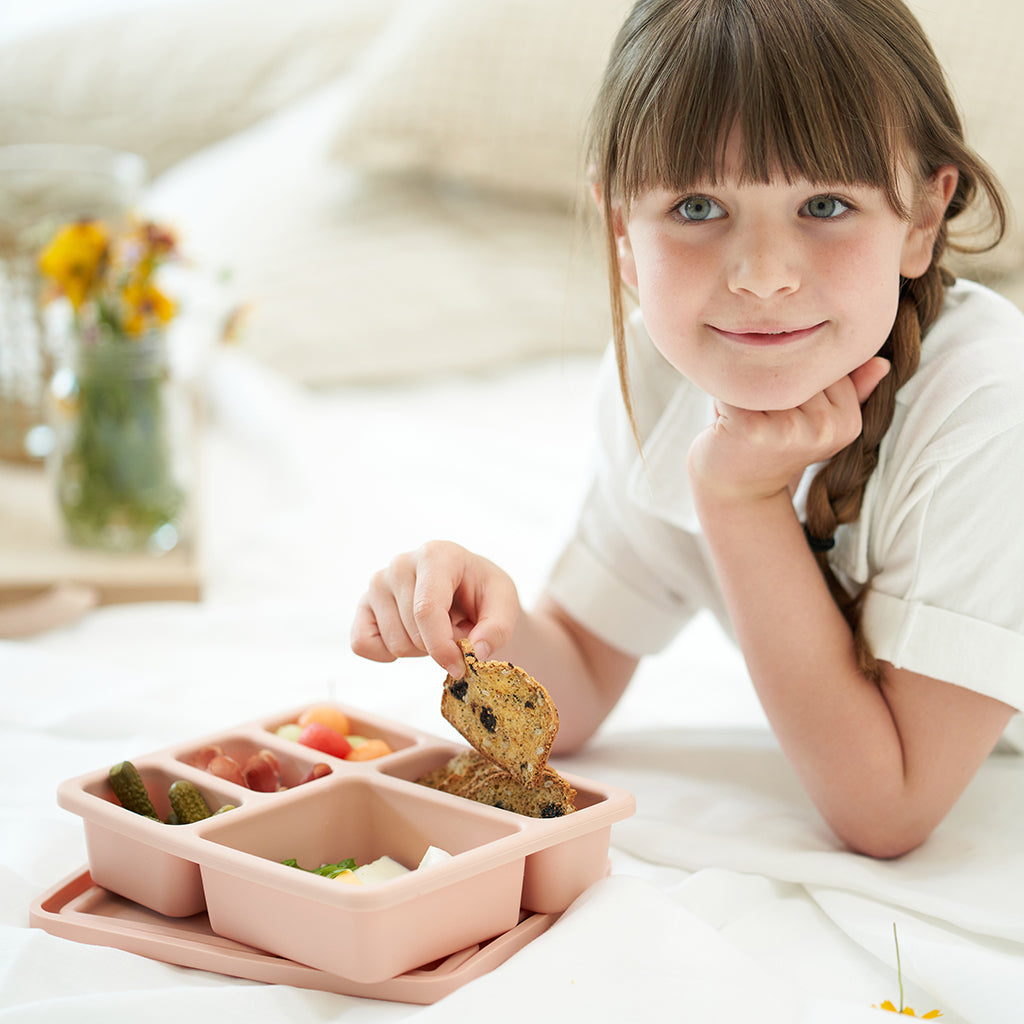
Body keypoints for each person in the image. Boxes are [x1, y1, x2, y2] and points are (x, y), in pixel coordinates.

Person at [351, 0, 1024, 858]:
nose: (763, 276)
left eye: (824, 203)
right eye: (699, 208)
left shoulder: (989, 406)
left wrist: (741, 501)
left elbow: (888, 808)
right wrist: (477, 622)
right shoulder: (661, 376)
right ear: (622, 233)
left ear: (922, 220)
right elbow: (587, 673)